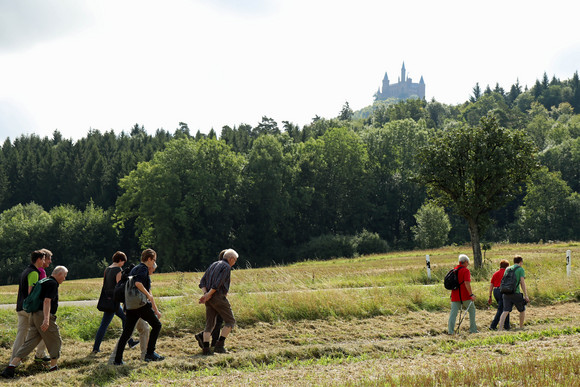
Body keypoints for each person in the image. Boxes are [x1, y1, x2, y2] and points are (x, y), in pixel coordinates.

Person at [1, 266, 69, 378]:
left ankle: (11, 367)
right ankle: (53, 367)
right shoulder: (52, 284)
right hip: (43, 316)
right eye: (64, 276)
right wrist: (47, 319)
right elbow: (47, 302)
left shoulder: (44, 281)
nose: (64, 279)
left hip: (34, 315)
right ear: (59, 274)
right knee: (55, 340)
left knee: (30, 342)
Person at [113, 249, 163, 365]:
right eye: (153, 260)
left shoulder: (135, 268)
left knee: (127, 333)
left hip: (130, 305)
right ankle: (150, 353)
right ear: (149, 259)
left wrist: (155, 309)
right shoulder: (143, 269)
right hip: (140, 304)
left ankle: (117, 360)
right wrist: (148, 296)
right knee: (157, 325)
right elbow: (138, 284)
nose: (154, 262)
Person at [92, 251, 138, 354]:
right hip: (114, 301)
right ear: (120, 260)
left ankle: (130, 341)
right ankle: (96, 348)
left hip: (107, 299)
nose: (123, 264)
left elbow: (105, 284)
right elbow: (119, 286)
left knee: (124, 318)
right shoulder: (118, 269)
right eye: (123, 262)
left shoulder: (107, 269)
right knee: (104, 324)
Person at [196, 248, 238, 355]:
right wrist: (209, 294)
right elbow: (217, 283)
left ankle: (206, 350)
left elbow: (202, 281)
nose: (235, 262)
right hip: (218, 297)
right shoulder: (226, 267)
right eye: (235, 260)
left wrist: (206, 295)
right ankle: (220, 346)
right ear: (231, 259)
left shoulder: (214, 264)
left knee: (210, 324)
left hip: (209, 299)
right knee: (230, 321)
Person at [10, 250, 45, 362]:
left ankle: (14, 360)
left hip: (20, 307)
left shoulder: (25, 271)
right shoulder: (34, 273)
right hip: (28, 309)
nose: (44, 262)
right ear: (38, 259)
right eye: (43, 259)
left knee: (21, 335)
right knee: (43, 330)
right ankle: (40, 354)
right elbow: (32, 293)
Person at [498, 255, 530, 331]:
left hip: (506, 292)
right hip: (515, 293)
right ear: (521, 262)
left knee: (505, 311)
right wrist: (526, 295)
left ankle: (500, 329)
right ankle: (521, 327)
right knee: (522, 310)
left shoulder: (508, 269)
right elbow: (522, 283)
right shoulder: (520, 269)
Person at [447, 254, 477, 334]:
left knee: (453, 314)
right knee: (472, 310)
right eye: (468, 263)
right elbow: (467, 283)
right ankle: (473, 330)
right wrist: (471, 295)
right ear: (466, 262)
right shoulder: (465, 270)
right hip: (465, 295)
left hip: (454, 295)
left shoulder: (454, 270)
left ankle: (450, 331)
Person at [34, 248, 54, 362]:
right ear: (43, 259)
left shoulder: (37, 270)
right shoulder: (41, 272)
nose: (50, 262)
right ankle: (40, 354)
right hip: (40, 308)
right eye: (49, 259)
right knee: (45, 330)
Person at [488, 259, 510, 330]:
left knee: (506, 307)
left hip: (495, 291)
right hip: (503, 291)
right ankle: (493, 325)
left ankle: (507, 325)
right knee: (501, 309)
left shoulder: (495, 273)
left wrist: (490, 296)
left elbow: (491, 285)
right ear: (507, 266)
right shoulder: (507, 273)